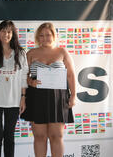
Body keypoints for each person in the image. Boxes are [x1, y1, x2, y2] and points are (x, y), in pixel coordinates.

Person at [21, 22, 76, 157]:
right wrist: (31, 82)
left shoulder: (62, 52)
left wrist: (73, 95)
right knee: (39, 136)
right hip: (36, 98)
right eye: (41, 35)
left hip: (58, 98)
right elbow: (23, 76)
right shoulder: (31, 53)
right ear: (37, 37)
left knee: (56, 136)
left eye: (48, 35)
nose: (45, 38)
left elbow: (70, 75)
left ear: (54, 35)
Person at [0, 20, 28, 157]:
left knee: (9, 136)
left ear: (13, 34)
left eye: (9, 31)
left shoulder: (21, 53)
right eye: (3, 31)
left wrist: (23, 98)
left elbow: (23, 78)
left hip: (13, 100)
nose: (6, 34)